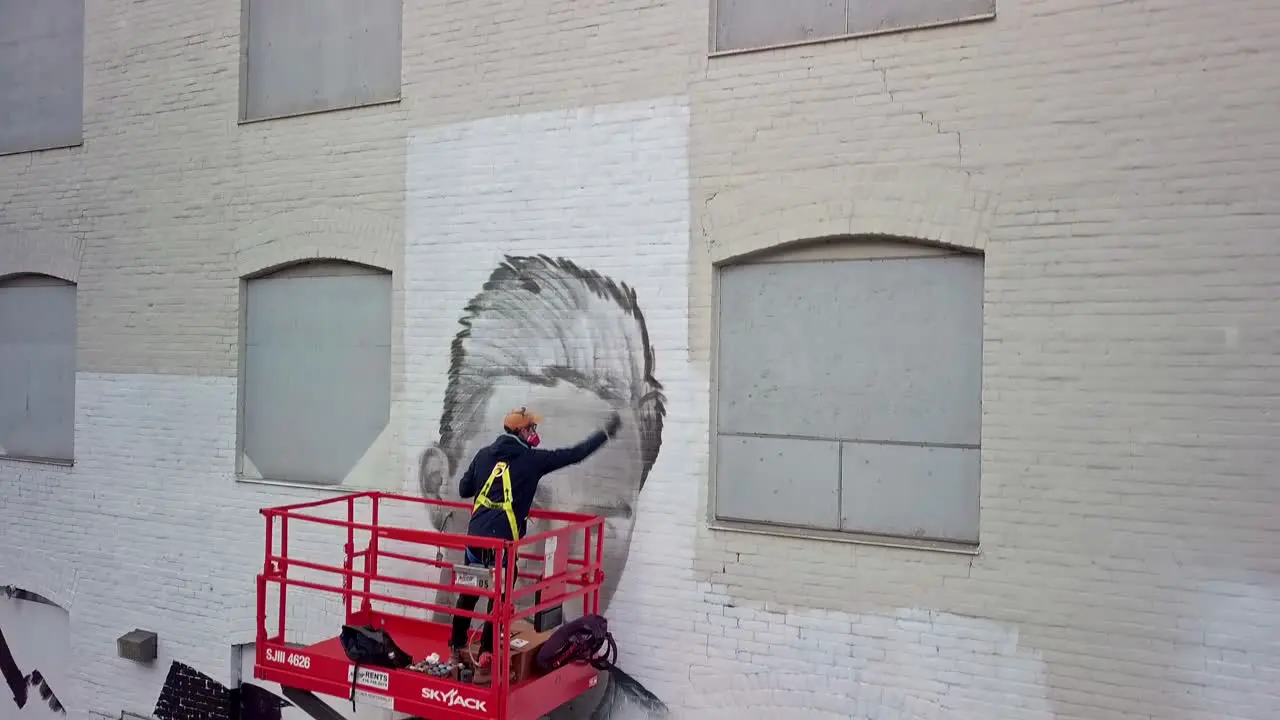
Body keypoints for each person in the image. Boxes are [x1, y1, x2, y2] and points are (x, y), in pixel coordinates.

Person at [449, 405, 623, 684]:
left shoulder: (483, 455)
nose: (535, 433)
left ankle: (456, 650)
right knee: (500, 602)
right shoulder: (531, 460)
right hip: (502, 544)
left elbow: (463, 489)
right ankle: (484, 661)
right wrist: (604, 434)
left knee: (471, 591)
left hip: (476, 539)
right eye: (532, 428)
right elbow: (574, 455)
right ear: (520, 431)